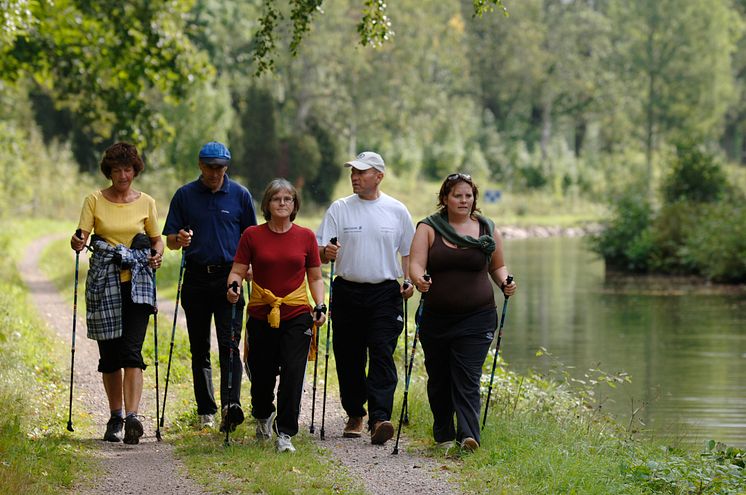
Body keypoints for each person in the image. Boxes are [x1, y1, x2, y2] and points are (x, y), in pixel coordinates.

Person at [408, 173, 517, 452]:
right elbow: (416, 265)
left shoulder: (487, 229)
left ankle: (469, 436)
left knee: (467, 375)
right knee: (440, 377)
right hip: (436, 317)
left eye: (468, 195)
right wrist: (420, 279)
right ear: (445, 198)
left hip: (478, 317)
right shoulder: (428, 228)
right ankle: (444, 432)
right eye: (458, 195)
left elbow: (497, 266)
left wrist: (506, 281)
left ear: (474, 199)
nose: (464, 200)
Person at [317, 151, 415, 445]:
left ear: (379, 176)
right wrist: (327, 253)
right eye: (353, 173)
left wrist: (408, 280)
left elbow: (408, 252)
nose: (355, 177)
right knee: (349, 356)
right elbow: (321, 252)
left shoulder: (397, 210)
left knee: (383, 353)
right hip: (347, 290)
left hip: (385, 293)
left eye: (361, 172)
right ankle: (355, 413)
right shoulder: (339, 208)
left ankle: (379, 418)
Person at [70, 142, 163, 445]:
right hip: (104, 281)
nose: (123, 175)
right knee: (109, 356)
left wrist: (157, 256)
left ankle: (133, 417)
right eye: (116, 170)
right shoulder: (94, 200)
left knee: (131, 351)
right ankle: (115, 417)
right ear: (108, 172)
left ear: (136, 170)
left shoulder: (146, 202)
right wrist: (77, 241)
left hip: (138, 281)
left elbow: (156, 241)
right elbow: (82, 236)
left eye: (128, 169)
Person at [162, 141, 257, 431]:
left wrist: (250, 267)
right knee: (199, 347)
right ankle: (206, 410)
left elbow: (251, 237)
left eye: (220, 167)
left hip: (230, 276)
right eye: (210, 167)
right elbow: (170, 242)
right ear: (200, 166)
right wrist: (180, 239)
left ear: (226, 167)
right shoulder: (184, 195)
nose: (215, 173)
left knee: (230, 344)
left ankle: (232, 405)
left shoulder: (240, 195)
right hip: (196, 277)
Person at [227, 178, 326, 452]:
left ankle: (285, 433)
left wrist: (320, 305)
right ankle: (263, 413)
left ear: (294, 205)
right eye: (276, 199)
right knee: (261, 375)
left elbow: (315, 277)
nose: (282, 204)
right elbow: (237, 270)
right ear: (267, 204)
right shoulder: (252, 235)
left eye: (288, 199)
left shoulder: (306, 237)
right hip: (262, 313)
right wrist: (233, 287)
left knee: (294, 373)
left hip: (296, 313)